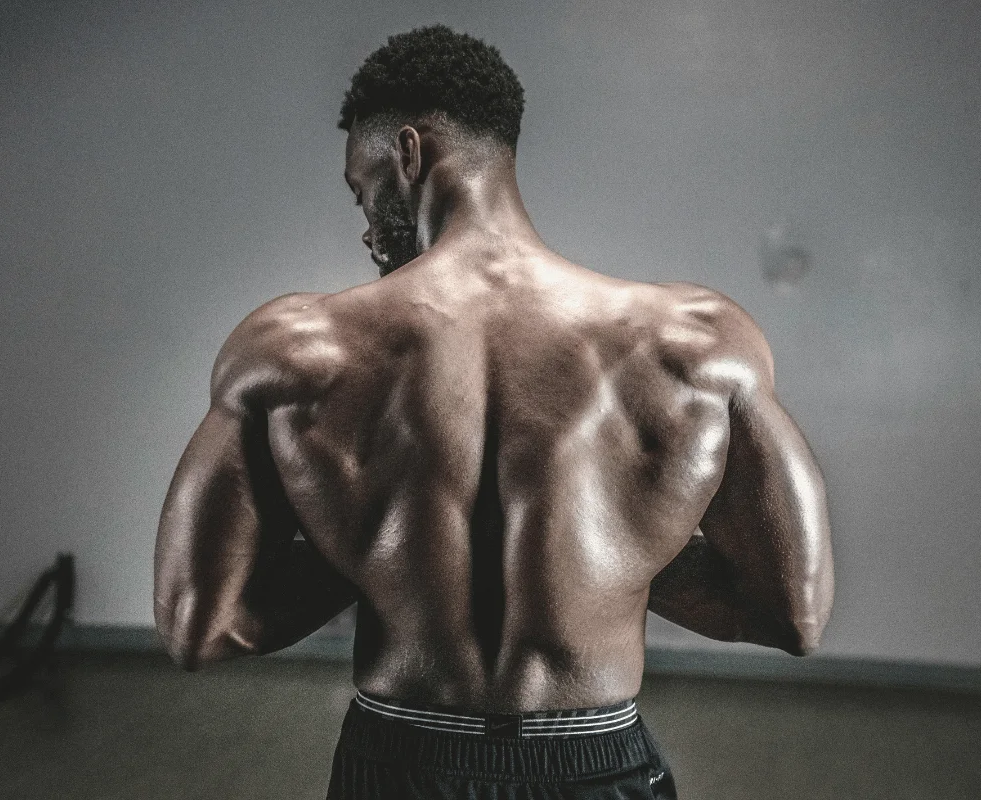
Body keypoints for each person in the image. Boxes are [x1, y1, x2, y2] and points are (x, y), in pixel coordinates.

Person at [154, 24, 834, 799]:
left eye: (362, 188)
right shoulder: (698, 341)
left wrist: (376, 538)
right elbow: (797, 614)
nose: (367, 227)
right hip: (594, 762)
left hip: (400, 762)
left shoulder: (292, 347)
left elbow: (198, 626)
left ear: (409, 153)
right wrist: (623, 545)